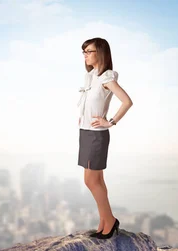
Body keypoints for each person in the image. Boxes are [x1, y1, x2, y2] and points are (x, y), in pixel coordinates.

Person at [77, 37, 133, 239]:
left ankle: (109, 220)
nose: (85, 55)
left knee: (91, 181)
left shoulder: (106, 78)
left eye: (89, 51)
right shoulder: (91, 76)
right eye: (83, 51)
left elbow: (127, 101)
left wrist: (110, 121)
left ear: (100, 53)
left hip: (96, 136)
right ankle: (104, 220)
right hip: (86, 132)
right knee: (97, 180)